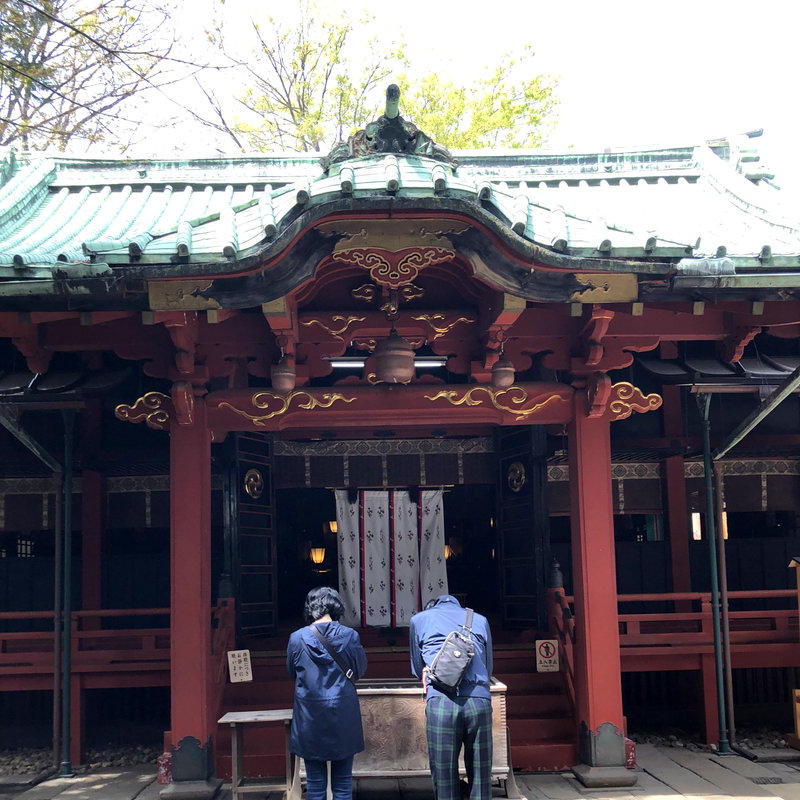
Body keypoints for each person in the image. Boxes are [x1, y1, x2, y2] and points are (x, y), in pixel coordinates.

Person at [409, 595, 494, 800]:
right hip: (478, 698)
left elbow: (416, 667)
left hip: (441, 700)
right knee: (481, 771)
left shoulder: (419, 620)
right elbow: (488, 665)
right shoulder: (480, 620)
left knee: (443, 770)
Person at [287, 586, 367, 800]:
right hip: (342, 713)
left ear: (310, 609)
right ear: (336, 607)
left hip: (309, 716)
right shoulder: (350, 636)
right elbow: (359, 670)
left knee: (314, 784)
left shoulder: (297, 638)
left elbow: (292, 672)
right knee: (342, 784)